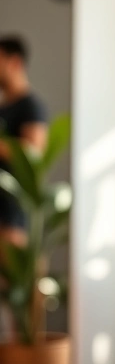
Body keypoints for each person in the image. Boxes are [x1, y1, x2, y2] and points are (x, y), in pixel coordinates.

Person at [0, 35, 49, 337]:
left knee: (20, 306)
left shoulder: (31, 106)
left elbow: (33, 154)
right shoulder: (4, 109)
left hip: (12, 219)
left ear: (14, 62)